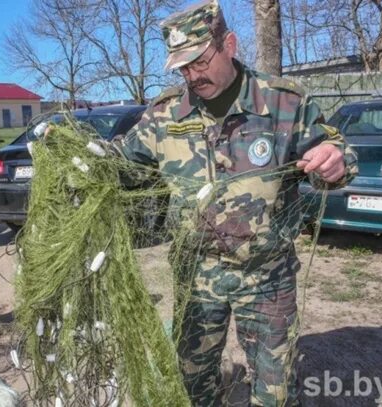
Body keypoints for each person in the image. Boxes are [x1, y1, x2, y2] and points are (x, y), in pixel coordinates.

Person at [117, 0, 358, 405]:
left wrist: (335, 161)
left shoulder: (283, 102)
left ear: (229, 44)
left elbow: (337, 154)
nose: (192, 76)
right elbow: (119, 162)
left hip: (267, 279)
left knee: (275, 390)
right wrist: (75, 157)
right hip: (196, 280)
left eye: (200, 61)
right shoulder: (163, 116)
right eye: (183, 67)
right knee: (192, 385)